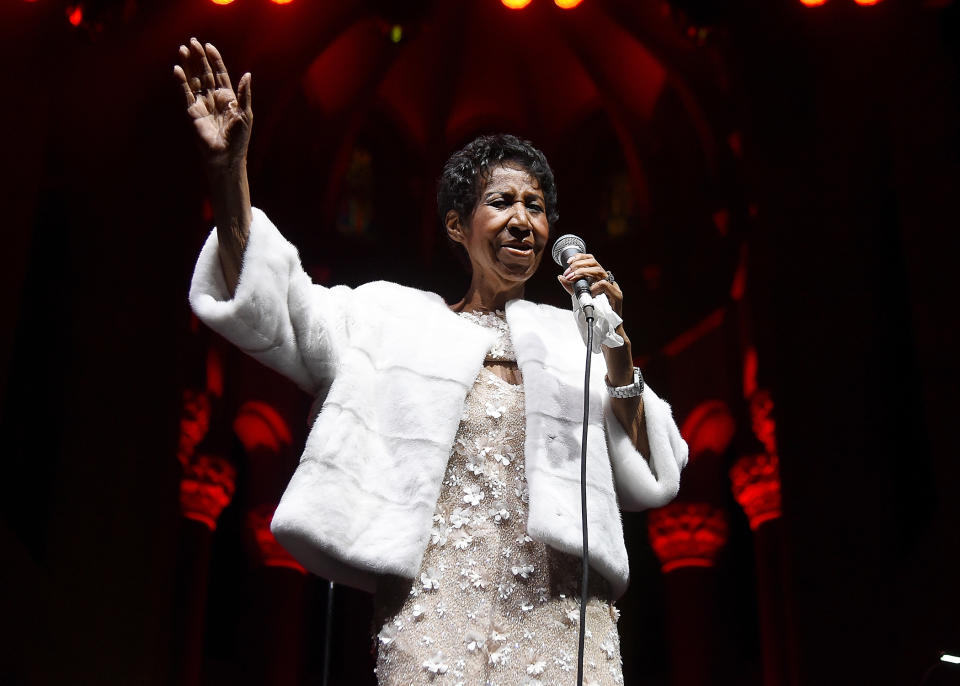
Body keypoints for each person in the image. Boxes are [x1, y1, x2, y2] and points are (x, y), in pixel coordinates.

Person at [176, 38, 688, 686]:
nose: (523, 219)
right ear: (457, 225)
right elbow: (277, 304)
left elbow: (651, 470)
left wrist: (615, 348)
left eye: (535, 206)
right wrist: (228, 176)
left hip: (562, 622)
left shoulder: (573, 338)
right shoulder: (394, 322)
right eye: (502, 202)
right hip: (435, 613)